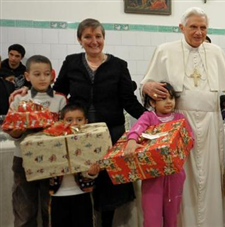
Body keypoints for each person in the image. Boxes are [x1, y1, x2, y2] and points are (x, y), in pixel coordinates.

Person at [141, 7, 225, 227]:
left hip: (211, 124)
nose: (198, 32)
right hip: (179, 125)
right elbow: (146, 84)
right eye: (193, 26)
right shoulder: (164, 51)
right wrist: (146, 85)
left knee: (211, 177)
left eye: (203, 27)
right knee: (184, 178)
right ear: (181, 27)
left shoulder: (214, 52)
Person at [52, 18, 146, 227]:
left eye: (98, 36)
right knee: (80, 180)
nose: (94, 41)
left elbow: (129, 101)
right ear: (79, 39)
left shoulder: (119, 65)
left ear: (104, 38)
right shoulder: (71, 62)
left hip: (112, 133)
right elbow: (58, 93)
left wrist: (151, 119)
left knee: (110, 184)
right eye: (88, 37)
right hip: (79, 133)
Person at [5, 55, 67, 227]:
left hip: (52, 160)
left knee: (51, 208)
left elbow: (66, 129)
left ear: (52, 75)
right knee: (24, 209)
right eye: (37, 74)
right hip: (23, 159)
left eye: (46, 74)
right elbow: (13, 134)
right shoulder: (19, 99)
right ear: (27, 76)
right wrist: (20, 128)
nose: (42, 78)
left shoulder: (60, 99)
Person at [125, 82, 193, 227]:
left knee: (172, 215)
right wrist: (132, 140)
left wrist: (182, 146)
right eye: (163, 98)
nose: (169, 102)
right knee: (151, 216)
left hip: (175, 175)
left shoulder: (180, 118)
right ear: (152, 102)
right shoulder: (149, 116)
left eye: (171, 98)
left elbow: (189, 139)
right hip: (152, 175)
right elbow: (137, 128)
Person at [50, 103, 100, 227]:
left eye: (79, 119)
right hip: (58, 194)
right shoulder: (53, 142)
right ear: (61, 121)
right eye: (69, 120)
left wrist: (92, 173)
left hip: (82, 194)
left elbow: (93, 167)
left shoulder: (89, 142)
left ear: (86, 121)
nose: (74, 123)